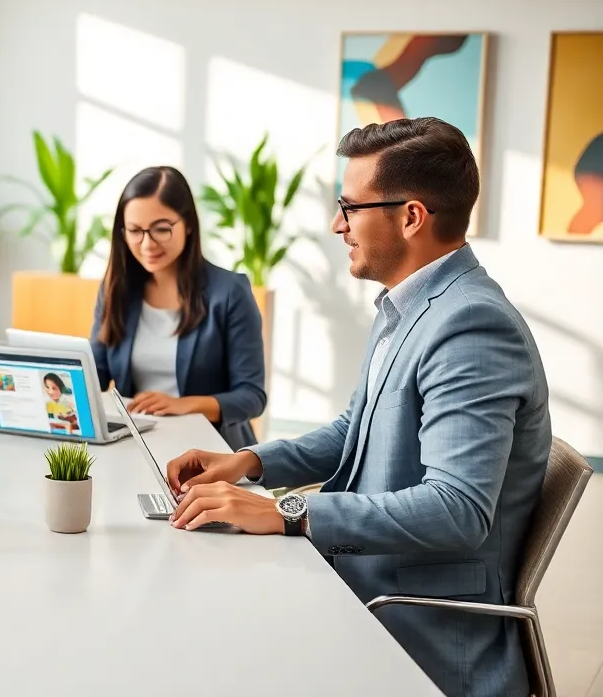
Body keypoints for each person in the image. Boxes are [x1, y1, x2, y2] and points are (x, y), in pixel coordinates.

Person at [163, 117, 551, 697]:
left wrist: (287, 512)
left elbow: (457, 508)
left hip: (419, 629)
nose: (336, 224)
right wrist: (250, 462)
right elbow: (357, 428)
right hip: (368, 585)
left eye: (349, 207)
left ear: (411, 217)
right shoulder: (409, 304)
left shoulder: (471, 325)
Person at [89, 166, 266, 450]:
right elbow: (94, 376)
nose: (147, 244)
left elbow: (252, 397)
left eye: (161, 229)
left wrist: (183, 405)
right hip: (137, 445)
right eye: (135, 231)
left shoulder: (230, 292)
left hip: (212, 450)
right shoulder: (117, 289)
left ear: (188, 224)